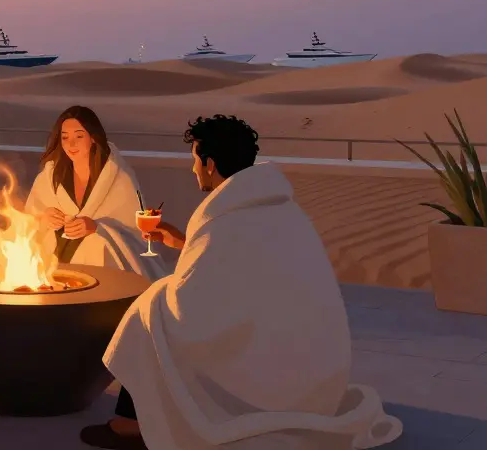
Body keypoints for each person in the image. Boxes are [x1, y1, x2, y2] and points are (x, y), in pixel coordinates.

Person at [80, 115, 403, 450]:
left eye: (194, 160)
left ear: (210, 164)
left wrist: (161, 294)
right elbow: (245, 271)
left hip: (270, 373)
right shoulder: (276, 207)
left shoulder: (225, 219)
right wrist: (185, 242)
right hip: (317, 369)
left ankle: (136, 423)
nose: (193, 169)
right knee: (158, 302)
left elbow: (193, 305)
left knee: (150, 309)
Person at [24, 106, 168, 281]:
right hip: (54, 263)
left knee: (96, 243)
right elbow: (27, 221)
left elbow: (135, 232)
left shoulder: (118, 177)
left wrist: (97, 227)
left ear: (92, 137)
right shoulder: (50, 176)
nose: (71, 144)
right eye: (65, 137)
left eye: (79, 136)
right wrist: (44, 219)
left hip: (101, 263)